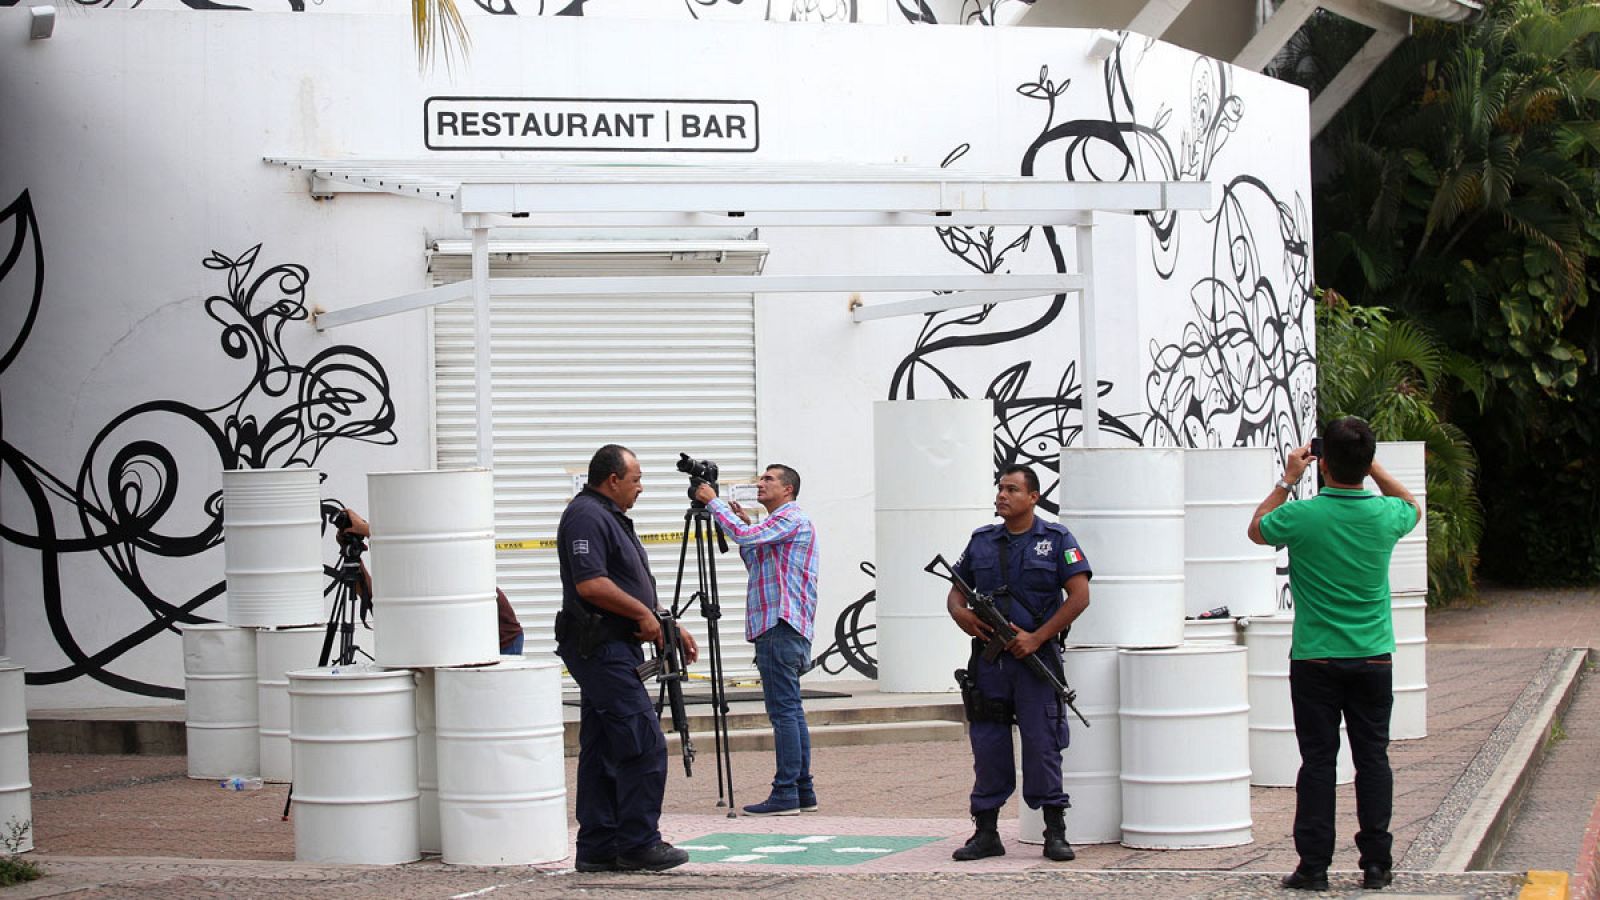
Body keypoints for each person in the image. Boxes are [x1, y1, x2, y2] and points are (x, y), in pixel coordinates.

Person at [1248, 417, 1420, 892]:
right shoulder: (1386, 517)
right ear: (1366, 464)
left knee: (1319, 762)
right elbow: (1411, 505)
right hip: (1373, 657)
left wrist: (1288, 478)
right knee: (1373, 759)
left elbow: (1256, 528)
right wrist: (1373, 467)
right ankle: (1377, 864)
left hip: (1315, 659)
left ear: (1322, 464)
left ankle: (1314, 866)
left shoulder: (1302, 516)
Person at [556, 444, 699, 873]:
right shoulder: (587, 515)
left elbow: (622, 583)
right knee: (643, 743)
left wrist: (661, 622)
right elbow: (591, 585)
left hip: (616, 645)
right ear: (612, 479)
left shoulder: (607, 515)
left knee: (603, 747)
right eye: (636, 479)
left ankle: (599, 846)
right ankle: (639, 843)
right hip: (600, 646)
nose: (641, 487)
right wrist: (642, 614)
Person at [944, 464, 1091, 863]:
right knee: (988, 744)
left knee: (1043, 745)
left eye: (1011, 489)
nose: (1002, 496)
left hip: (1036, 661)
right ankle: (986, 832)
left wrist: (1037, 638)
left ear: (1033, 497)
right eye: (999, 489)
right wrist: (961, 615)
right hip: (991, 665)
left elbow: (1079, 596)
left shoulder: (1057, 538)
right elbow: (956, 593)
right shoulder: (982, 542)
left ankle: (1054, 832)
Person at [693, 464, 820, 816]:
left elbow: (747, 540)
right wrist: (745, 524)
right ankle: (802, 790)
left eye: (768, 479)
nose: (760, 484)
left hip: (780, 626)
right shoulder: (776, 526)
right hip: (778, 627)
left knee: (783, 713)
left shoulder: (791, 518)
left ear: (789, 489)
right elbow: (756, 557)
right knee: (791, 711)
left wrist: (714, 503)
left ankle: (785, 792)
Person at [338, 508, 525, 656]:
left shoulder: (433, 558)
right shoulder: (401, 575)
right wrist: (354, 560)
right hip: (456, 638)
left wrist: (367, 529)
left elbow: (418, 550)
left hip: (500, 639)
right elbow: (373, 600)